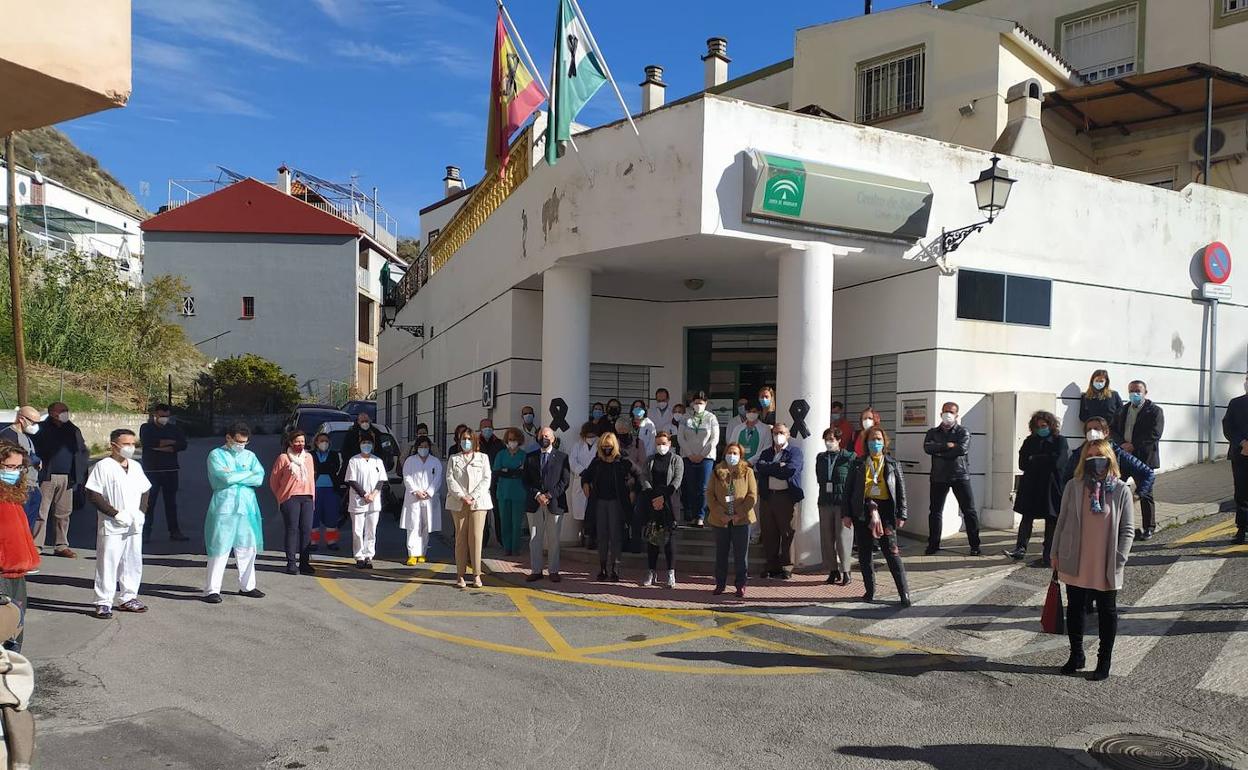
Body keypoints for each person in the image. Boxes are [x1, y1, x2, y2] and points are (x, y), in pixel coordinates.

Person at [1052, 439, 1136, 681]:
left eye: (1099, 455)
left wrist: (1120, 558)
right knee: (1075, 609)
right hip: (1075, 558)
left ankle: (1103, 661)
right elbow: (1062, 521)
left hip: (1106, 562)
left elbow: (1128, 530)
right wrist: (1055, 553)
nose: (1094, 460)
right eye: (1089, 456)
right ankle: (1076, 655)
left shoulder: (1121, 489)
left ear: (1109, 458)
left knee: (1107, 612)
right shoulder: (1074, 486)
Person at [85, 429, 151, 619]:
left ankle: (128, 597)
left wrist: (141, 512)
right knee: (108, 562)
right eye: (126, 444)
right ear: (113, 445)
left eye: (133, 444)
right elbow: (93, 494)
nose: (130, 447)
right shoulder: (103, 466)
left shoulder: (135, 466)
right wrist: (114, 514)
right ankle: (103, 601)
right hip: (112, 524)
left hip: (134, 523)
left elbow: (145, 490)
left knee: (132, 561)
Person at [845, 427, 910, 606]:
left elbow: (901, 490)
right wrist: (846, 514)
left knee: (892, 553)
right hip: (863, 510)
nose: (876, 442)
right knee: (865, 554)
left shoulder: (892, 464)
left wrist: (902, 513)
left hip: (886, 512)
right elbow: (848, 490)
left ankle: (904, 593)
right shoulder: (857, 463)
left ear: (884, 442)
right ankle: (870, 591)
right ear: (866, 443)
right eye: (872, 439)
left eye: (879, 439)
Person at [203, 423, 266, 604]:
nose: (241, 445)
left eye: (244, 442)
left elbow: (259, 478)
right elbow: (225, 478)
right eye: (238, 441)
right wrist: (247, 474)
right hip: (224, 507)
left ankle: (248, 586)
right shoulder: (216, 455)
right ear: (228, 438)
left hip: (247, 508)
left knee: (247, 548)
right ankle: (212, 590)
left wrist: (236, 475)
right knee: (219, 548)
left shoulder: (250, 456)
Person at [1006, 411, 1070, 566]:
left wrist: (1035, 458)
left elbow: (1059, 462)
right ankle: (1020, 549)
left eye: (1044, 425)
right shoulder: (1030, 441)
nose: (1041, 429)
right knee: (1027, 517)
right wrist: (1045, 459)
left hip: (1051, 486)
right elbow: (1022, 463)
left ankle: (1048, 553)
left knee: (1051, 519)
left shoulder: (1060, 440)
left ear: (1051, 425)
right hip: (1032, 485)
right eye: (1038, 426)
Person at [923, 402, 981, 556]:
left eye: (951, 412)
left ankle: (975, 545)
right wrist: (947, 446)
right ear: (940, 413)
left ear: (956, 415)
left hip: (959, 475)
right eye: (945, 411)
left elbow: (962, 449)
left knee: (969, 511)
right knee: (935, 512)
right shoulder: (933, 432)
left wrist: (939, 450)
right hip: (938, 476)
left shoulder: (963, 431)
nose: (948, 414)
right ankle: (933, 545)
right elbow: (928, 448)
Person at [32, 402, 88, 558]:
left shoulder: (73, 429)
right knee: (41, 513)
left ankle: (61, 545)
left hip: (67, 477)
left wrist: (80, 474)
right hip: (46, 477)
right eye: (62, 411)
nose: (65, 413)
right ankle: (36, 545)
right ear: (52, 413)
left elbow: (81, 451)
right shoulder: (41, 429)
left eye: (66, 410)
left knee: (63, 513)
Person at [0, 443, 42, 648]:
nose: (14, 472)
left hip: (17, 574)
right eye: (9, 466)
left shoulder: (12, 495)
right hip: (2, 575)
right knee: (4, 635)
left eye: (18, 467)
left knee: (14, 635)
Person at [1111, 380, 1164, 540]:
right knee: (1115, 490)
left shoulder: (1155, 411)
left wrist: (1133, 445)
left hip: (1143, 458)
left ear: (1145, 392)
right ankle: (1116, 526)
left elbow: (1154, 433)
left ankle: (1149, 527)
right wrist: (1122, 444)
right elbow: (1113, 429)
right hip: (1124, 457)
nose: (1134, 394)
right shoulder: (1123, 410)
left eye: (1138, 391)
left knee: (1145, 493)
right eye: (1131, 391)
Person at [581, 432, 637, 582]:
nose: (606, 449)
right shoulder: (597, 462)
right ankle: (603, 568)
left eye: (609, 446)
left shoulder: (622, 461)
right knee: (602, 536)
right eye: (604, 446)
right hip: (599, 503)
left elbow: (637, 475)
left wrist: (632, 490)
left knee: (615, 536)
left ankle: (615, 568)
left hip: (616, 504)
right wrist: (585, 484)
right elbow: (586, 475)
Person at [706, 442, 757, 597]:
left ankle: (741, 585)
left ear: (740, 456)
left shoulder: (747, 472)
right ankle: (720, 584)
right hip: (720, 520)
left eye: (735, 453)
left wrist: (738, 514)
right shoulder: (717, 471)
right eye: (730, 453)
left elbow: (752, 495)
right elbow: (710, 494)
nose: (732, 456)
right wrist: (721, 514)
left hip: (741, 520)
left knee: (741, 555)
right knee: (721, 554)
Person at [754, 423, 804, 580]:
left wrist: (771, 468)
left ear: (788, 434)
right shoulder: (766, 452)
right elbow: (760, 467)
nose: (778, 436)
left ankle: (787, 567)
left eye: (781, 432)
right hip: (768, 496)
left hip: (786, 497)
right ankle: (772, 566)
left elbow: (789, 471)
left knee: (787, 532)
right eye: (775, 433)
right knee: (769, 533)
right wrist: (778, 466)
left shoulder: (795, 452)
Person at [1061, 418, 1153, 501]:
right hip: (1084, 501)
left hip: (1112, 501)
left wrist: (1136, 496)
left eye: (1096, 429)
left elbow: (1148, 473)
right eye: (1089, 429)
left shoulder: (1117, 453)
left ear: (1106, 432)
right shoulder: (1079, 453)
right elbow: (1066, 478)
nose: (1092, 432)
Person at [522, 427, 570, 582]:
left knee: (553, 539)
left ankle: (553, 570)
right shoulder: (530, 457)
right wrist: (538, 495)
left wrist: (549, 495)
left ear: (553, 439)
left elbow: (565, 481)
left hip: (554, 502)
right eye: (542, 436)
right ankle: (536, 570)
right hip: (535, 502)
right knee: (535, 538)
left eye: (547, 436)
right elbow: (525, 480)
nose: (544, 438)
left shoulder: (562, 457)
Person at [446, 431, 493, 588]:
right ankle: (460, 574)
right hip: (458, 503)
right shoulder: (454, 458)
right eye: (463, 439)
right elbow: (450, 479)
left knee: (476, 538)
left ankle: (476, 575)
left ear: (474, 441)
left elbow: (486, 479)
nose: (466, 441)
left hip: (478, 503)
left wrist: (472, 496)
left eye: (468, 439)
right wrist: (462, 496)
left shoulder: (483, 458)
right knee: (460, 539)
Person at [638, 431, 683, 588]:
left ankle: (671, 573)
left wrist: (663, 497)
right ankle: (651, 572)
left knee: (670, 540)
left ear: (669, 444)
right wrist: (652, 495)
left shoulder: (676, 460)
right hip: (653, 502)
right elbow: (644, 477)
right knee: (653, 539)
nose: (661, 446)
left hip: (669, 502)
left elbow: (677, 480)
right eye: (658, 443)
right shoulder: (650, 460)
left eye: (664, 443)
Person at [138, 404, 189, 542]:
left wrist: (162, 446)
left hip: (170, 470)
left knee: (171, 503)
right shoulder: (146, 428)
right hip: (152, 470)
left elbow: (183, 444)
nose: (164, 419)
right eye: (161, 416)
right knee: (149, 503)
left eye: (167, 416)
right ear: (155, 415)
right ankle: (145, 533)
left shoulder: (174, 429)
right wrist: (170, 443)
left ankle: (174, 531)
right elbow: (147, 443)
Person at [269, 430, 315, 576]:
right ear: (290, 442)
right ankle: (291, 563)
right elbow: (274, 480)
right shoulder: (283, 458)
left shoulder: (308, 457)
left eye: (302, 441)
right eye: (297, 441)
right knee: (292, 529)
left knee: (306, 530)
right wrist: (281, 496)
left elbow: (311, 479)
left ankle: (305, 563)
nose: (300, 444)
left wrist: (313, 497)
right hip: (290, 498)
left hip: (307, 497)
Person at [816, 427, 858, 586]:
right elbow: (819, 477)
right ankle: (832, 570)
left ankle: (846, 570)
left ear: (839, 440)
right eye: (826, 439)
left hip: (842, 503)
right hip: (825, 502)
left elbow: (854, 481)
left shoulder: (849, 457)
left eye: (832, 439)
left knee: (843, 538)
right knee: (826, 538)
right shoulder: (821, 458)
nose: (829, 442)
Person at [345, 435, 387, 569]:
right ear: (359, 444)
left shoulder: (377, 461)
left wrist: (373, 494)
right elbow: (352, 480)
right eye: (364, 442)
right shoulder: (354, 460)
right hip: (359, 499)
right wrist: (364, 494)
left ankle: (369, 555)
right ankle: (359, 556)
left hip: (374, 500)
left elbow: (381, 480)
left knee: (371, 530)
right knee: (357, 530)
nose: (366, 445)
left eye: (369, 442)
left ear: (373, 445)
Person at [678, 392, 719, 528]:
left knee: (703, 487)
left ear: (706, 403)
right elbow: (680, 438)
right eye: (696, 403)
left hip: (706, 457)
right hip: (688, 457)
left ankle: (700, 516)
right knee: (690, 486)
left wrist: (702, 455)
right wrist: (690, 454)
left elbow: (714, 439)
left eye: (701, 403)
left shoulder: (711, 418)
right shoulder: (685, 417)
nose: (698, 405)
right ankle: (691, 514)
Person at [400, 436, 442, 565]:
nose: (423, 449)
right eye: (421, 447)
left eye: (426, 447)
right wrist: (416, 491)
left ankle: (422, 552)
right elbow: (407, 477)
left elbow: (438, 478)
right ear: (416, 448)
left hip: (429, 498)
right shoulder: (410, 461)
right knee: (413, 525)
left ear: (430, 448)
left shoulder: (435, 461)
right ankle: (412, 554)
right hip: (414, 498)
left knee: (425, 525)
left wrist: (429, 492)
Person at [0, 408, 42, 532]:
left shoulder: (26, 436)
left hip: (32, 485)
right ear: (22, 419)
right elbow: (13, 458)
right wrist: (34, 460)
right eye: (33, 422)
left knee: (28, 528)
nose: (35, 426)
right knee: (18, 527)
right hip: (20, 486)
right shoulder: (9, 435)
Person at [492, 428, 528, 556]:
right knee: (505, 521)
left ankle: (515, 548)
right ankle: (507, 547)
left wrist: (508, 471)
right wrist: (513, 472)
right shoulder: (501, 454)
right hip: (503, 492)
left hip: (519, 493)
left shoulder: (523, 455)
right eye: (510, 439)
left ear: (519, 440)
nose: (512, 442)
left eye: (515, 439)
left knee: (517, 522)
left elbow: (524, 473)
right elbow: (497, 471)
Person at [1225, 374, 1248, 545]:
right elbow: (1228, 427)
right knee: (1241, 493)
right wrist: (1243, 443)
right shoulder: (1236, 403)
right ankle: (1242, 529)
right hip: (1240, 454)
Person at [310, 431, 343, 551]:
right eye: (321, 441)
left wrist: (320, 468)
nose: (324, 443)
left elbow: (335, 468)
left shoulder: (334, 454)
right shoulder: (310, 455)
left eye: (326, 441)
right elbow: (313, 469)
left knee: (331, 517)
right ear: (316, 442)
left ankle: (331, 542)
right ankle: (313, 542)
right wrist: (325, 468)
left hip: (331, 489)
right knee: (313, 517)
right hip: (314, 489)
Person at [568, 422, 598, 546]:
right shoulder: (577, 445)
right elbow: (572, 460)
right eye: (588, 436)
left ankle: (593, 537)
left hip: (595, 480)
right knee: (581, 511)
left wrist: (592, 474)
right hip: (580, 478)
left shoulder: (600, 444)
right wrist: (583, 472)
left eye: (593, 436)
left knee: (594, 510)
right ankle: (582, 536)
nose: (590, 438)